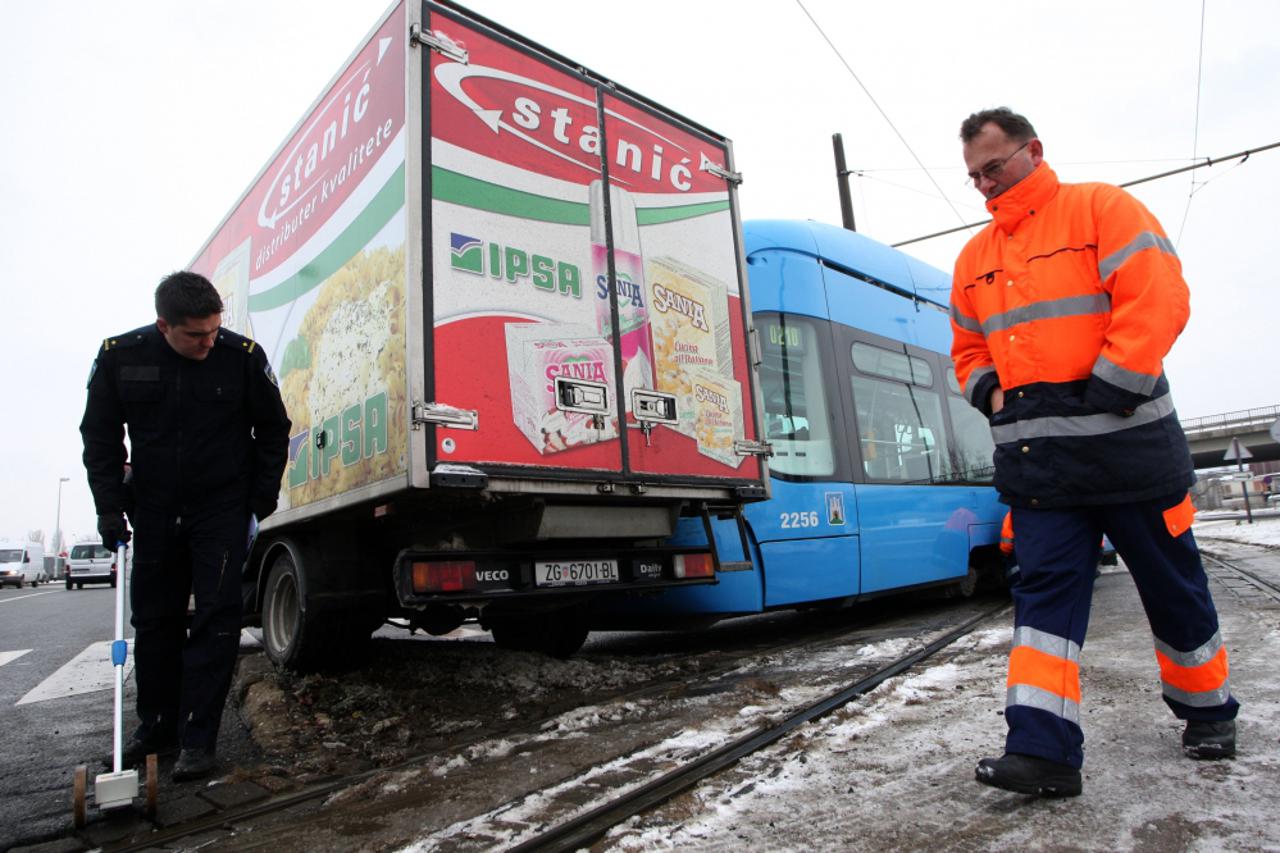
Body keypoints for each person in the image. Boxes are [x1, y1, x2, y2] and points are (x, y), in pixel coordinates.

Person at [949, 108, 1238, 798]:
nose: (986, 184)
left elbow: (1158, 295)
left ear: (1032, 150)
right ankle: (1043, 751)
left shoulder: (1101, 209)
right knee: (1043, 605)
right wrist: (989, 391)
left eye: (995, 166)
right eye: (975, 176)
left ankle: (1208, 712)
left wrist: (1112, 383)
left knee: (1172, 589)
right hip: (1041, 471)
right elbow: (967, 347)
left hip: (1132, 452)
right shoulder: (974, 258)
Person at [80, 271, 290, 782]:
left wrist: (256, 502)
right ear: (164, 325)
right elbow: (101, 437)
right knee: (154, 623)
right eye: (196, 334)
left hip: (219, 509)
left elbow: (274, 429)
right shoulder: (120, 356)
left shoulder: (241, 358)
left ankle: (199, 738)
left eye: (214, 330)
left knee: (216, 620)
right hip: (152, 509)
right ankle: (156, 729)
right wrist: (109, 508)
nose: (208, 342)